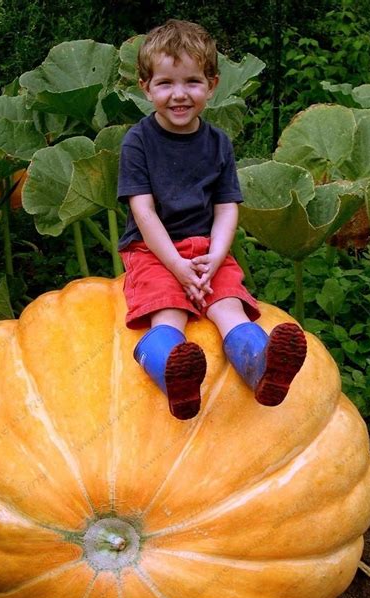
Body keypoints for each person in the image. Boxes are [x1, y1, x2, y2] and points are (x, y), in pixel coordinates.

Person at [117, 18, 306, 420]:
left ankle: (262, 366)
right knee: (169, 313)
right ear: (145, 87)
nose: (179, 95)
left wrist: (216, 257)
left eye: (192, 82)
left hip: (207, 251)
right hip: (152, 250)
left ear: (212, 84)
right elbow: (143, 211)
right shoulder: (138, 140)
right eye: (166, 83)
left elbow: (225, 207)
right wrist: (177, 267)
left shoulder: (218, 142)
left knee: (229, 310)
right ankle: (173, 374)